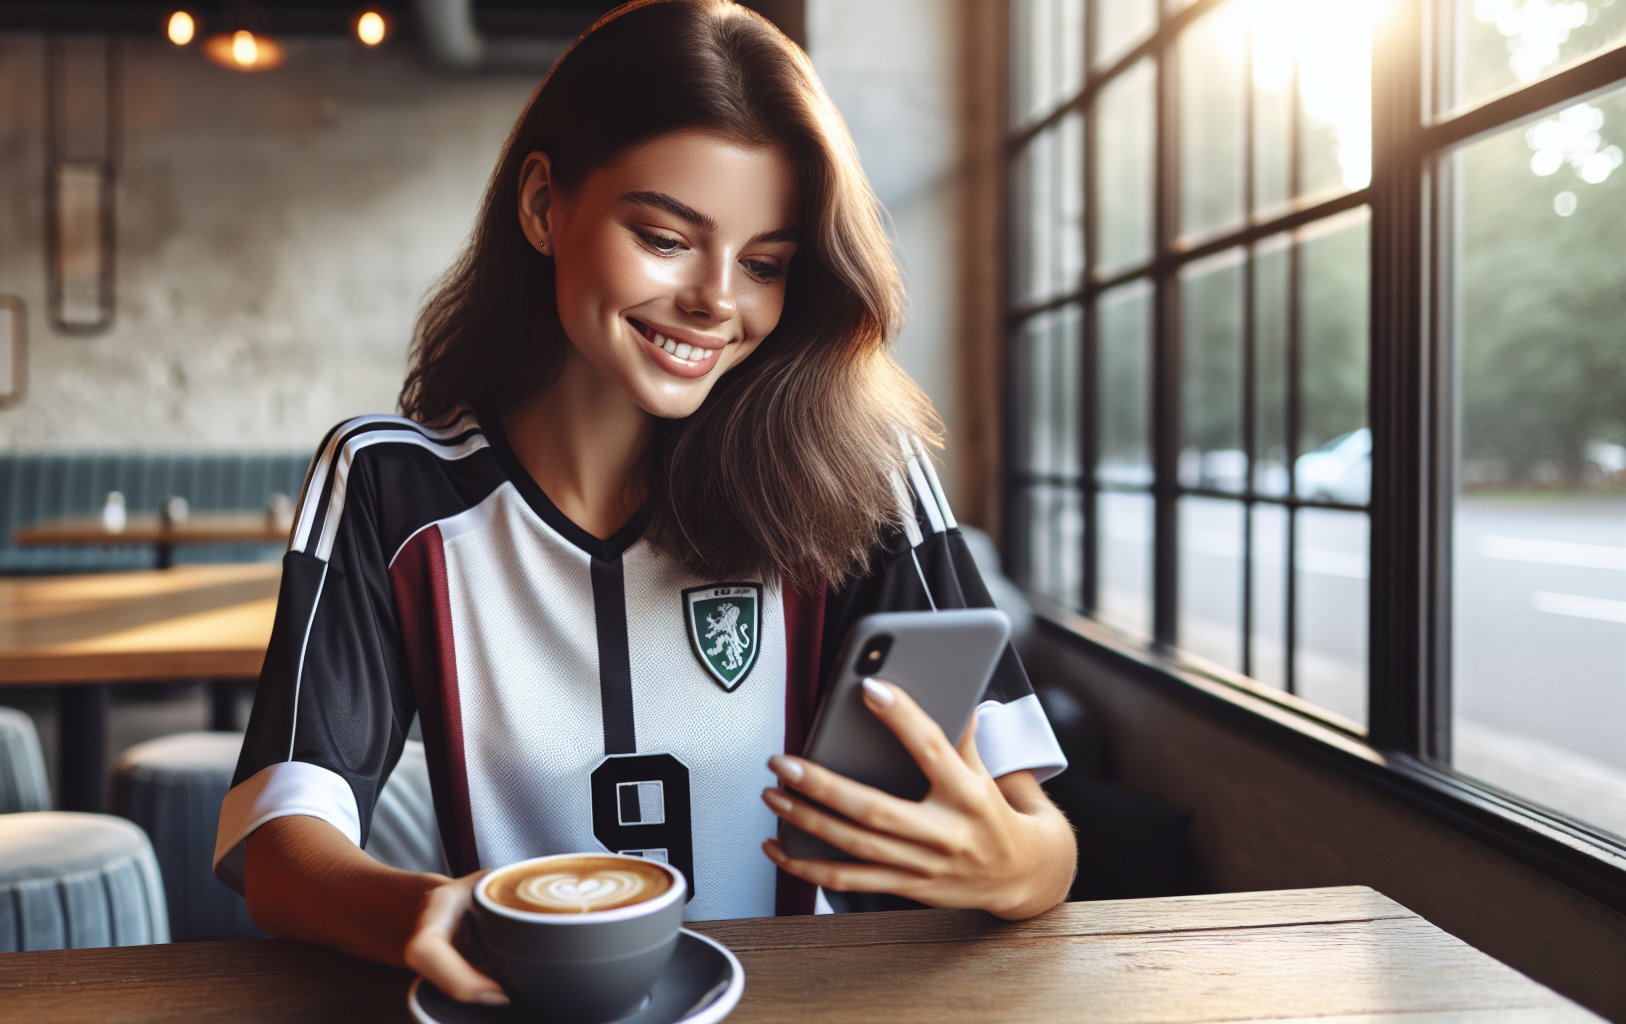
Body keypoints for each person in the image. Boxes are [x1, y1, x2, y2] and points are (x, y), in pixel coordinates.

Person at [214, 0, 1076, 1005]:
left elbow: (1041, 839)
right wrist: (413, 909)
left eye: (765, 263)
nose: (718, 299)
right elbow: (278, 845)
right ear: (542, 205)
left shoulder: (862, 469)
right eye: (666, 236)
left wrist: (1014, 866)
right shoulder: (387, 484)